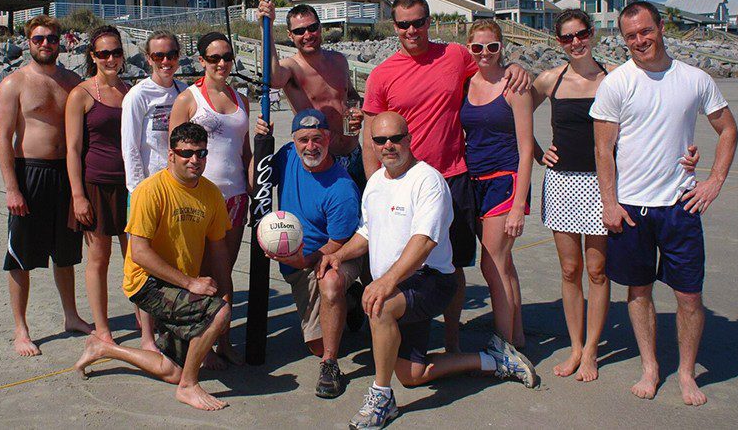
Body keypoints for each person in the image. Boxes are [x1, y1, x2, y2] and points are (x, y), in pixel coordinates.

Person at [322, 112, 536, 429]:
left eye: (396, 138)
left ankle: (381, 398)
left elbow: (423, 242)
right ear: (373, 144)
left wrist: (385, 282)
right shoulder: (376, 182)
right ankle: (494, 360)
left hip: (431, 282)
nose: (388, 145)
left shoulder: (428, 181)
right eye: (380, 140)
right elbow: (366, 232)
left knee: (378, 306)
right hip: (399, 285)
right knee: (412, 375)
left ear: (409, 139)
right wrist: (339, 255)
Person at [531, 9, 701, 381]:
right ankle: (575, 347)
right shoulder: (549, 80)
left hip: (602, 185)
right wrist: (535, 150)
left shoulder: (616, 78)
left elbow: (652, 121)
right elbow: (515, 113)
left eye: (580, 34)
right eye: (566, 37)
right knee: (570, 269)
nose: (575, 43)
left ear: (591, 34)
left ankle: (592, 350)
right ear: (557, 42)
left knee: (596, 270)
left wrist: (686, 152)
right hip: (561, 183)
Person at [362, 0, 531, 352]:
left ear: (428, 21)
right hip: (406, 183)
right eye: (404, 24)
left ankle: (453, 340)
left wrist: (515, 66)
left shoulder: (454, 55)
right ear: (395, 26)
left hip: (453, 179)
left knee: (452, 265)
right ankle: (411, 332)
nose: (412, 30)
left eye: (419, 21)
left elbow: (490, 69)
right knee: (404, 260)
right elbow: (369, 135)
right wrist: (374, 185)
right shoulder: (381, 74)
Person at [591, 1, 738, 405]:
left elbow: (727, 129)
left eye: (646, 31)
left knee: (689, 296)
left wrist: (714, 181)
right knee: (638, 292)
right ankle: (651, 367)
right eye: (631, 36)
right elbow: (604, 149)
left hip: (680, 206)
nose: (640, 41)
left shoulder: (694, 79)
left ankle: (688, 373)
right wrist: (610, 202)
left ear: (660, 28)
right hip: (632, 208)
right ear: (623, 39)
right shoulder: (617, 83)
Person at [74, 122, 233, 411]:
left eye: (201, 153)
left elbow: (219, 254)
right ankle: (189, 387)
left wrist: (224, 300)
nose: (194, 160)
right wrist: (193, 287)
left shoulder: (211, 194)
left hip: (180, 283)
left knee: (173, 370)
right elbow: (140, 254)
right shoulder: (150, 191)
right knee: (215, 315)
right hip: (146, 282)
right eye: (186, 153)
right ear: (171, 155)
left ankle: (103, 348)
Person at [0, 15, 92, 356]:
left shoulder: (73, 82)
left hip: (67, 174)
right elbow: (3, 139)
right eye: (38, 39)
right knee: (20, 255)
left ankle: (72, 316)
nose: (45, 44)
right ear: (28, 42)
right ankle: (21, 329)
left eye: (51, 38)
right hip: (29, 173)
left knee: (66, 254)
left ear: (61, 41)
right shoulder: (13, 84)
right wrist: (11, 188)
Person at [265, 109, 362, 399]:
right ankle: (352, 303)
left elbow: (338, 243)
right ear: (293, 141)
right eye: (303, 139)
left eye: (317, 139)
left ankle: (330, 364)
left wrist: (303, 260)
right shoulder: (286, 156)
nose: (311, 146)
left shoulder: (342, 188)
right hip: (297, 261)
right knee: (314, 340)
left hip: (332, 254)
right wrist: (261, 143)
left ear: (329, 138)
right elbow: (256, 182)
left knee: (330, 284)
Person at [169, 31, 250, 368]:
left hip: (235, 196)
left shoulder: (242, 98)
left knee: (224, 274)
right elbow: (172, 153)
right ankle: (192, 344)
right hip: (199, 198)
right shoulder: (188, 99)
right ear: (201, 60)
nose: (221, 63)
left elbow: (244, 151)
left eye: (227, 57)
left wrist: (255, 185)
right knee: (198, 276)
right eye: (214, 58)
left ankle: (223, 341)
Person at [460, 20, 534, 359]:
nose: (485, 54)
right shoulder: (465, 84)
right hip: (474, 181)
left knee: (492, 263)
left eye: (493, 47)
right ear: (469, 49)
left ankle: (503, 345)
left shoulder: (515, 86)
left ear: (502, 47)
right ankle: (516, 335)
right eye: (478, 48)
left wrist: (519, 204)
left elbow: (526, 147)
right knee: (503, 264)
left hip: (505, 181)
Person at [65, 25, 131, 345]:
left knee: (136, 257)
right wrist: (78, 196)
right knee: (99, 259)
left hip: (130, 186)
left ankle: (146, 325)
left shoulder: (131, 91)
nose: (110, 58)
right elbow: (72, 150)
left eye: (115, 52)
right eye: (103, 53)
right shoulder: (81, 94)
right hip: (96, 185)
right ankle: (102, 329)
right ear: (93, 56)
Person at [255, 0, 365, 188]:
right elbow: (273, 79)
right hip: (321, 161)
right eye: (299, 31)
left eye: (312, 28)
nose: (307, 34)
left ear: (320, 28)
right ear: (290, 35)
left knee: (361, 215)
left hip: (354, 153)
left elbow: (353, 96)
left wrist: (358, 112)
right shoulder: (292, 67)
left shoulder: (339, 61)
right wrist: (267, 26)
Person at [122, 30, 186, 352]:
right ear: (148, 58)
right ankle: (146, 336)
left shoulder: (183, 91)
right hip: (147, 189)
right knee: (144, 263)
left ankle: (171, 324)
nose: (165, 61)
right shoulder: (138, 95)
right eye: (158, 56)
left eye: (170, 54)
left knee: (172, 257)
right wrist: (138, 192)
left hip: (178, 188)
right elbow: (131, 148)